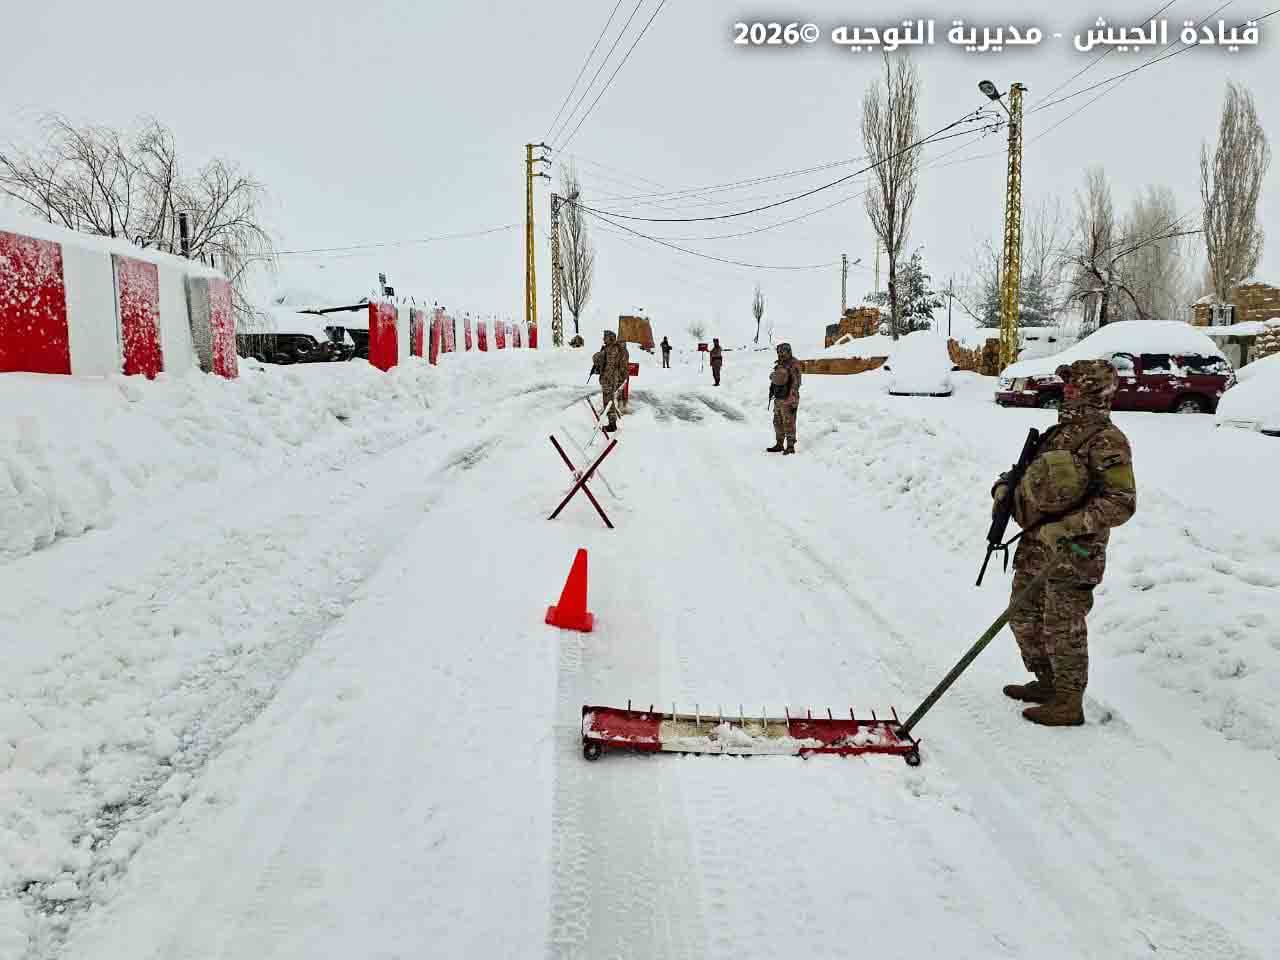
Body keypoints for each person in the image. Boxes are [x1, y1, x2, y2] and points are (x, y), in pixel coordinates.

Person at [991, 359, 1137, 726]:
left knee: (1062, 626)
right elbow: (1028, 475)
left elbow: (1121, 501)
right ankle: (1047, 683)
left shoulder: (1107, 440)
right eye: (1067, 383)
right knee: (1023, 618)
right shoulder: (1059, 434)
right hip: (1035, 545)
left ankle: (1069, 702)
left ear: (1092, 390)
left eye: (1074, 384)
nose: (1066, 389)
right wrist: (1004, 487)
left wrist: (1069, 527)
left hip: (1073, 554)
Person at [766, 342, 802, 454]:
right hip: (779, 399)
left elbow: (796, 383)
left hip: (789, 398)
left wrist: (792, 399)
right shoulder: (780, 364)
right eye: (779, 351)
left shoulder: (793, 364)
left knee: (789, 422)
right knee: (777, 422)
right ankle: (779, 444)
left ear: (788, 351)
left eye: (783, 351)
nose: (780, 354)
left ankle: (790, 446)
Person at [593, 330, 631, 433]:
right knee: (609, 401)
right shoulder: (614, 348)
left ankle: (612, 424)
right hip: (613, 378)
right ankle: (612, 422)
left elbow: (610, 366)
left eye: (605, 337)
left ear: (610, 338)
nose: (603, 339)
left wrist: (604, 378)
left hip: (609, 379)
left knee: (608, 401)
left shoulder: (612, 349)